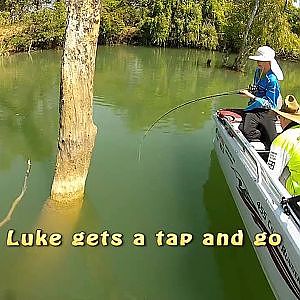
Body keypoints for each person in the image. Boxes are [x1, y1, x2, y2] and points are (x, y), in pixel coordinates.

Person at [238, 46, 283, 148]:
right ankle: (261, 133)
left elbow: (270, 103)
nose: (258, 62)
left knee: (273, 142)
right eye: (257, 60)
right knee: (246, 131)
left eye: (261, 60)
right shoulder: (257, 72)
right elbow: (256, 89)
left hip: (268, 111)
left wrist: (251, 96)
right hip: (254, 108)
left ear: (268, 61)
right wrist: (249, 92)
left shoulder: (272, 80)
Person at [267, 95, 300, 196]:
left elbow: (271, 176)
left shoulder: (282, 140)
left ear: (285, 118)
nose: (278, 120)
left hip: (296, 195)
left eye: (279, 117)